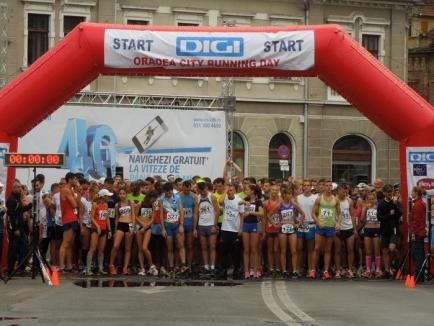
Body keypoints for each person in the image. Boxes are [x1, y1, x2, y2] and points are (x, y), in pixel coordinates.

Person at [272, 185, 304, 279]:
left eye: (291, 194)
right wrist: (275, 224)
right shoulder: (279, 205)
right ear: (284, 195)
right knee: (283, 251)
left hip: (292, 229)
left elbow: (303, 214)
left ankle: (294, 270)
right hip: (282, 229)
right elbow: (269, 215)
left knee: (293, 250)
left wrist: (298, 224)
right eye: (288, 194)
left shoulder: (293, 204)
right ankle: (284, 270)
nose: (289, 196)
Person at [312, 180, 341, 279]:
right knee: (317, 248)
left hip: (330, 227)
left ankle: (325, 271)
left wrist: (338, 223)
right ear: (324, 187)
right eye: (327, 186)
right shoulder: (319, 199)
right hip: (321, 227)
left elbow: (339, 213)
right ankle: (313, 270)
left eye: (330, 186)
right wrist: (318, 222)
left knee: (328, 250)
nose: (329, 187)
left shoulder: (335, 200)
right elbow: (313, 213)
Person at [160, 182, 188, 277]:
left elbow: (181, 212)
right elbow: (160, 214)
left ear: (172, 191)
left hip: (177, 225)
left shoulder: (177, 197)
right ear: (164, 192)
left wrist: (181, 225)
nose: (168, 194)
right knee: (170, 248)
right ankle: (171, 268)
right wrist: (163, 229)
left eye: (170, 192)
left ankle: (183, 265)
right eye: (167, 193)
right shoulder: (162, 199)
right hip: (168, 226)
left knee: (180, 244)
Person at [7, 180, 32, 276]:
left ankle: (21, 268)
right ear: (13, 188)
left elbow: (20, 210)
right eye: (16, 187)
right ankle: (10, 270)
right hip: (15, 229)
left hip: (20, 227)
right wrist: (15, 229)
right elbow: (11, 215)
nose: (18, 189)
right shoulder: (12, 199)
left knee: (24, 247)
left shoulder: (17, 199)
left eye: (19, 187)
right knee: (13, 249)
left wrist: (30, 206)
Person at [194, 180, 220, 274]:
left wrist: (214, 225)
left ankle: (212, 266)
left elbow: (217, 211)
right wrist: (194, 228)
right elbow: (196, 213)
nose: (204, 192)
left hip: (211, 225)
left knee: (212, 246)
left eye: (204, 190)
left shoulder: (211, 196)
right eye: (201, 191)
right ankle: (206, 266)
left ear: (206, 188)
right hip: (201, 225)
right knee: (204, 247)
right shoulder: (197, 197)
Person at [219, 184, 244, 279]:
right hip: (225, 229)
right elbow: (220, 201)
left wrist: (240, 229)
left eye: (231, 190)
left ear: (235, 191)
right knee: (224, 251)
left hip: (235, 229)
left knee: (235, 251)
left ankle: (236, 270)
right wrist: (225, 191)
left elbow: (241, 216)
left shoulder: (238, 201)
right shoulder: (225, 199)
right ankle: (224, 270)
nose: (229, 192)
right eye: (228, 190)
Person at [109, 188, 135, 275]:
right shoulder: (117, 204)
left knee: (128, 248)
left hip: (129, 225)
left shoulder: (130, 203)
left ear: (126, 194)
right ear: (118, 195)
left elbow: (133, 216)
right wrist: (116, 230)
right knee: (115, 246)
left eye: (123, 193)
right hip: (120, 224)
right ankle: (111, 265)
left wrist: (133, 228)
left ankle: (125, 267)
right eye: (120, 193)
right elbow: (116, 218)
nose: (122, 195)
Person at [86, 189, 112, 276]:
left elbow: (107, 218)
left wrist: (109, 230)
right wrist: (97, 226)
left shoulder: (106, 205)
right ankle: (88, 269)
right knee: (92, 248)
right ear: (103, 196)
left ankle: (100, 268)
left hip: (104, 229)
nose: (108, 197)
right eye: (107, 196)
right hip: (96, 229)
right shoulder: (95, 205)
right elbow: (91, 217)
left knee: (101, 249)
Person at [378, 184, 401, 278]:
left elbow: (399, 214)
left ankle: (398, 255)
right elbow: (380, 217)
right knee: (385, 251)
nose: (389, 193)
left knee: (391, 248)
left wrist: (395, 212)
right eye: (387, 192)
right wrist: (389, 214)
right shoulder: (381, 204)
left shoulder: (394, 203)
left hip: (393, 229)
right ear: (384, 193)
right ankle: (387, 270)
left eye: (390, 192)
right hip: (384, 229)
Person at [241, 184, 264, 279]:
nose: (246, 191)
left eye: (248, 189)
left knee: (254, 249)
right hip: (246, 225)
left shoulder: (258, 202)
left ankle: (255, 270)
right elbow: (240, 209)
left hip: (255, 225)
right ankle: (246, 271)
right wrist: (243, 205)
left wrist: (250, 212)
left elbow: (261, 213)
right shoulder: (245, 200)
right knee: (246, 250)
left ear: (253, 191)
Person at [59, 172, 81, 273]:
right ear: (70, 179)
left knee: (69, 244)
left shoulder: (70, 190)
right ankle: (62, 266)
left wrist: (78, 192)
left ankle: (68, 266)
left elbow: (77, 203)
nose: (76, 181)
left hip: (72, 218)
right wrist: (77, 194)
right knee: (65, 244)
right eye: (75, 179)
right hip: (69, 219)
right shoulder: (66, 190)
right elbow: (75, 205)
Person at [296, 179, 318, 278]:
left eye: (308, 185)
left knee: (310, 249)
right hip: (301, 224)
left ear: (311, 187)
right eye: (304, 185)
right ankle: (299, 269)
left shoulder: (316, 197)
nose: (306, 187)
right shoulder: (298, 198)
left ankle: (311, 269)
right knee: (299, 248)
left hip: (311, 224)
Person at [334, 184, 356, 278]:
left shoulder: (349, 200)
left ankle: (350, 269)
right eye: (343, 191)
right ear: (338, 191)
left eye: (346, 191)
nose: (345, 193)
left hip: (348, 227)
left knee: (350, 249)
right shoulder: (334, 200)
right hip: (338, 228)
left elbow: (352, 215)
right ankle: (338, 270)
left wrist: (354, 228)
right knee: (338, 250)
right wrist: (335, 225)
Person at [360, 192, 382, 278]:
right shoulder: (365, 207)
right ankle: (368, 269)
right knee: (368, 251)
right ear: (366, 200)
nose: (371, 200)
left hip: (376, 229)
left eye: (372, 199)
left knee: (377, 251)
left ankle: (377, 270)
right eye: (369, 199)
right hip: (368, 229)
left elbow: (381, 218)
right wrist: (365, 210)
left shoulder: (378, 207)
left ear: (375, 199)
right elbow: (362, 220)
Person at [137, 191, 157, 276]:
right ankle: (142, 268)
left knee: (145, 248)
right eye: (154, 199)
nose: (154, 200)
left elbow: (153, 218)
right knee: (140, 249)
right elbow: (135, 216)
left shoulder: (153, 205)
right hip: (139, 227)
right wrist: (142, 225)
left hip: (147, 227)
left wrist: (146, 226)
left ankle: (152, 265)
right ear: (150, 197)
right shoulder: (140, 203)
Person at [409, 186, 427, 283]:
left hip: (418, 233)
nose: (411, 193)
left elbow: (417, 221)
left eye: (412, 191)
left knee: (417, 254)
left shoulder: (418, 205)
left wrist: (413, 233)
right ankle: (420, 274)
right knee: (418, 253)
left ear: (416, 192)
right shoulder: (418, 204)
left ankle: (419, 275)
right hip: (419, 232)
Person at [263, 184, 281, 277]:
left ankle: (277, 268)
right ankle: (271, 268)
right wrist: (264, 230)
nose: (274, 192)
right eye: (273, 190)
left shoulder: (281, 201)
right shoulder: (266, 203)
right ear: (270, 191)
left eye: (276, 190)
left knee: (276, 249)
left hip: (279, 228)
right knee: (270, 249)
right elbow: (265, 218)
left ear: (279, 191)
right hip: (269, 228)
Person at [180, 180, 196, 269]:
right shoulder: (178, 196)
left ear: (190, 188)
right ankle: (181, 265)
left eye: (188, 190)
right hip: (180, 224)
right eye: (185, 189)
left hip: (190, 223)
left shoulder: (194, 197)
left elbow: (195, 213)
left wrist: (194, 227)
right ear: (182, 187)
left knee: (190, 245)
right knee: (180, 245)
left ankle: (189, 266)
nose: (186, 191)